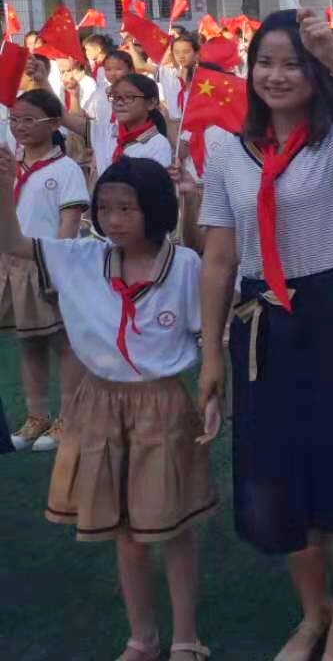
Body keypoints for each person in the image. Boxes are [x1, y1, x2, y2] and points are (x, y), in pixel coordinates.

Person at [195, 8, 333, 661]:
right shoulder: (226, 150)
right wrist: (209, 355)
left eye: (292, 64)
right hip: (261, 324)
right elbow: (220, 257)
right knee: (279, 472)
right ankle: (310, 613)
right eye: (265, 62)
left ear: (315, 75)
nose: (276, 75)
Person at [0, 155, 217, 661]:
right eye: (104, 208)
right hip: (97, 402)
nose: (113, 219)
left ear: (155, 209)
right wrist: (6, 184)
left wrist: (211, 396)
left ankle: (186, 637)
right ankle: (142, 637)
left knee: (176, 528)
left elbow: (206, 335)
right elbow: (11, 244)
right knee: (126, 531)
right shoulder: (79, 256)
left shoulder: (183, 265)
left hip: (162, 402)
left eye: (127, 208)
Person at [1, 90, 88, 452]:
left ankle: (69, 418)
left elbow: (68, 223)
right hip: (12, 265)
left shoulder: (64, 169)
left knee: (63, 344)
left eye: (28, 120)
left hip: (48, 262)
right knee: (28, 341)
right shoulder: (12, 166)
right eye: (14, 120)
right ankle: (37, 416)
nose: (19, 127)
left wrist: (59, 269)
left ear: (53, 124)